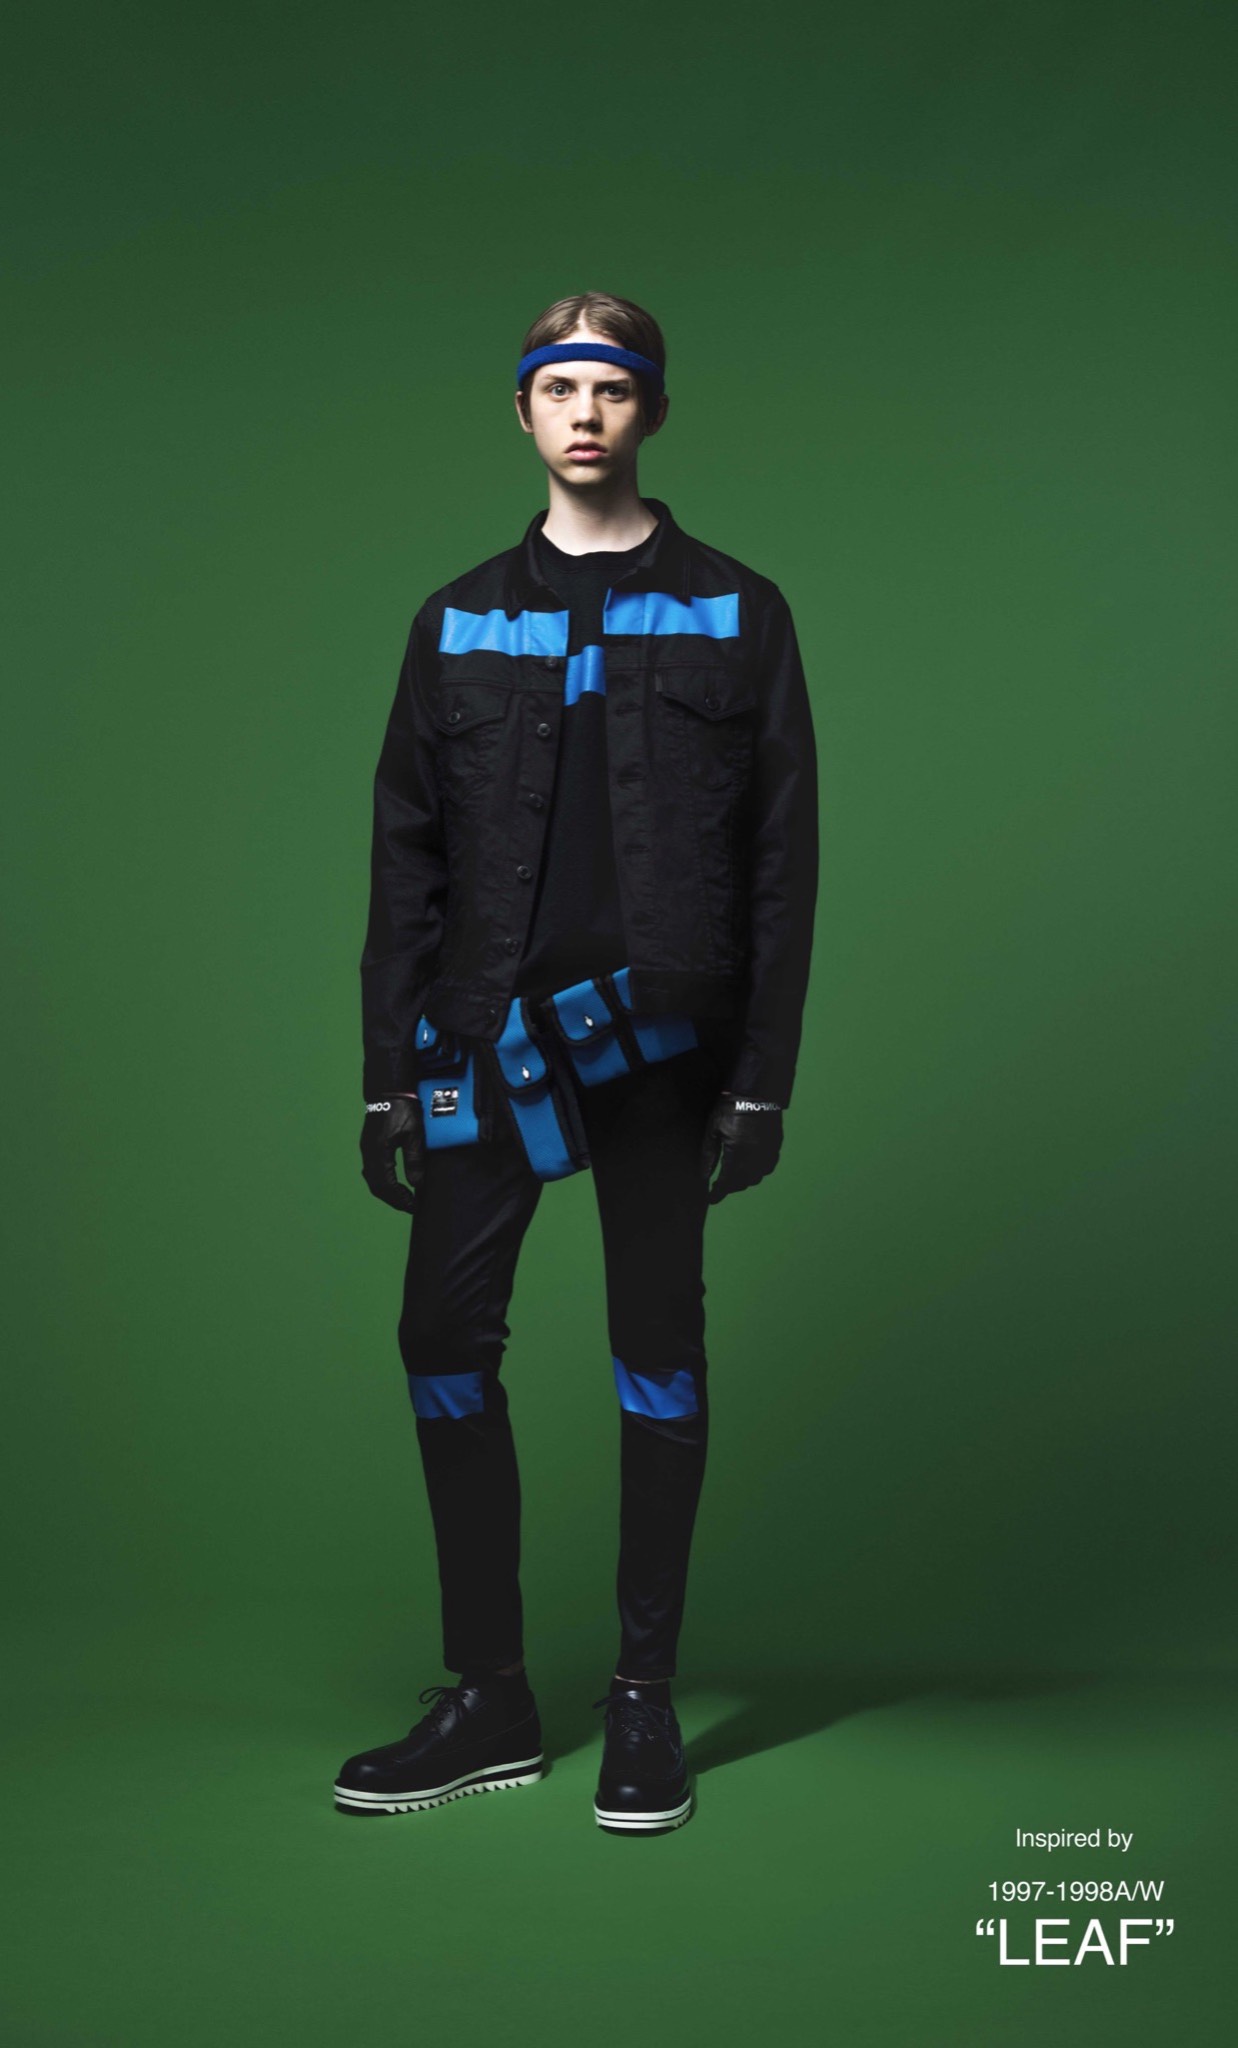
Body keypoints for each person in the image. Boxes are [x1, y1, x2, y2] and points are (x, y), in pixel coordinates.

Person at [337, 291, 820, 1834]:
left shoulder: (739, 610)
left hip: (665, 1053)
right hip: (478, 1045)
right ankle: (487, 1697)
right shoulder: (454, 619)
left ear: (651, 411)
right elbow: (404, 859)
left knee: (655, 1355)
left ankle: (640, 1701)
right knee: (438, 1341)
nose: (586, 413)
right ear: (525, 412)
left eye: (612, 387)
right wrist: (385, 1072)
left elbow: (782, 863)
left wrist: (763, 1077)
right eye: (559, 388)